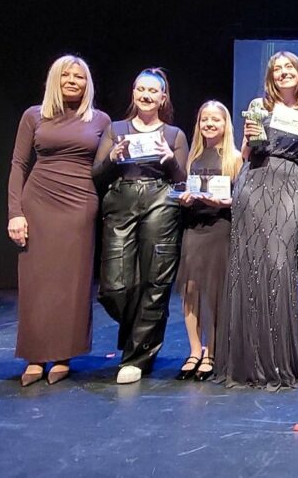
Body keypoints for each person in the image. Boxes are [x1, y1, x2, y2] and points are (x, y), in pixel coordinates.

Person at [213, 51, 298, 390]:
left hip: (288, 188)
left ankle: (278, 362)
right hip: (253, 185)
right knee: (247, 268)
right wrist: (248, 136)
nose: (283, 73)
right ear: (271, 77)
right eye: (277, 69)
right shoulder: (259, 106)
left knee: (279, 265)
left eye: (289, 68)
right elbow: (245, 156)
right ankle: (247, 362)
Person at [8, 55, 111, 386]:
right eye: (65, 75)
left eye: (79, 77)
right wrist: (14, 213)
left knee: (72, 284)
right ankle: (35, 356)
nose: (72, 81)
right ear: (54, 79)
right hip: (38, 203)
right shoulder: (33, 115)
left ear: (87, 83)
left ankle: (64, 355)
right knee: (37, 283)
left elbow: (105, 167)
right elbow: (18, 165)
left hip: (80, 204)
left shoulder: (100, 120)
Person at [92, 67, 188, 385]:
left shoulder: (174, 135)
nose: (146, 95)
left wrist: (168, 159)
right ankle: (138, 336)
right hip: (120, 202)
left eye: (153, 91)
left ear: (163, 97)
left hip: (161, 202)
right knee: (114, 286)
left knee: (156, 281)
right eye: (140, 89)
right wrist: (112, 158)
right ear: (134, 92)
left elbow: (183, 180)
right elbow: (97, 174)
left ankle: (137, 357)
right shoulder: (116, 129)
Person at [175, 100, 241, 382]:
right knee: (190, 289)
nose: (210, 124)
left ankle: (212, 352)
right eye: (205, 119)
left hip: (219, 230)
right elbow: (180, 191)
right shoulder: (192, 157)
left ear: (226, 124)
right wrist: (184, 199)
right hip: (194, 229)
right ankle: (194, 350)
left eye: (216, 119)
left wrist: (227, 202)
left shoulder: (235, 158)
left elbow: (242, 199)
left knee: (215, 292)